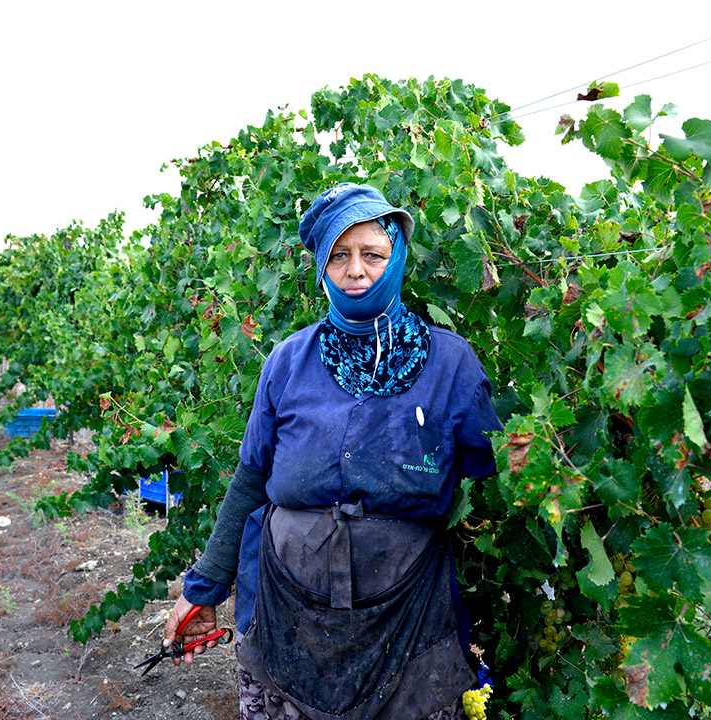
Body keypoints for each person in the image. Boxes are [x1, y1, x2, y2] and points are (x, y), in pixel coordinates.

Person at [162, 183, 501, 720]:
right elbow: (251, 480)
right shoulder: (289, 360)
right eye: (339, 256)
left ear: (397, 258)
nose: (356, 270)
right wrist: (203, 588)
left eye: (372, 254)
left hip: (409, 614)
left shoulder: (450, 364)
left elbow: (496, 475)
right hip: (285, 607)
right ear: (321, 267)